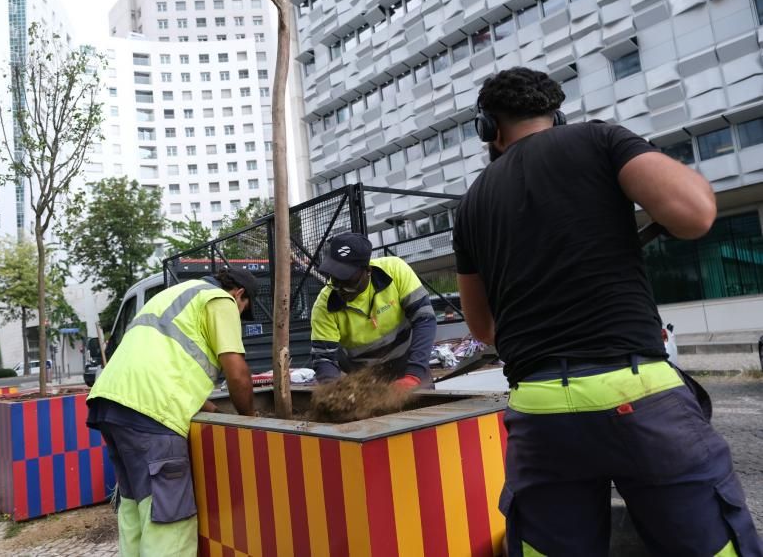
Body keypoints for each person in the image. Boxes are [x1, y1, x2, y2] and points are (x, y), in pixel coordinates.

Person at [452, 67, 762, 556]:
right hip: (639, 394)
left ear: (488, 128)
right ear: (557, 115)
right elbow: (694, 214)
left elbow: (484, 328)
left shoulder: (471, 203)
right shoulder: (599, 140)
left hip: (541, 412)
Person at [86, 267, 258, 556]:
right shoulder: (219, 299)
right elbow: (237, 372)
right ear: (239, 294)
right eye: (244, 310)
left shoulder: (172, 296)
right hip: (151, 415)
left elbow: (166, 369)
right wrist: (249, 418)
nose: (239, 316)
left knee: (136, 508)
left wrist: (213, 409)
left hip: (111, 404)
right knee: (169, 519)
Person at [310, 232, 437, 389]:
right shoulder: (323, 306)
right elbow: (325, 359)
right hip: (365, 379)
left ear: (368, 270)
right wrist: (333, 393)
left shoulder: (395, 270)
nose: (340, 288)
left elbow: (424, 319)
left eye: (347, 281)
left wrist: (414, 374)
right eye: (335, 280)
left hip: (409, 365)